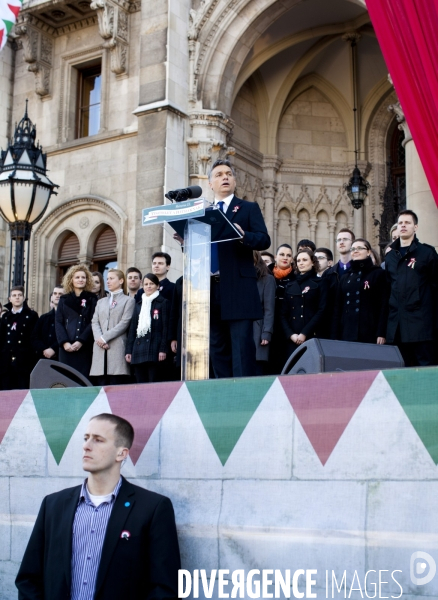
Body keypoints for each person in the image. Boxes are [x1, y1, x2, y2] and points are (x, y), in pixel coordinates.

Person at [16, 413, 180, 599]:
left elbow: (166, 587)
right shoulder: (53, 505)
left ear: (121, 453)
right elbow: (28, 578)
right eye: (86, 438)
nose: (86, 446)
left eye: (98, 440)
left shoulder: (153, 508)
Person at [206, 159, 270, 378]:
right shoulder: (204, 214)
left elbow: (263, 239)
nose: (225, 177)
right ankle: (223, 397)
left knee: (241, 348)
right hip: (210, 289)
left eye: (228, 174)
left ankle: (244, 397)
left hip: (238, 287)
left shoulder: (247, 208)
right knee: (217, 349)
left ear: (234, 180)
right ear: (210, 183)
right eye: (219, 174)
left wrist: (244, 236)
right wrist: (185, 240)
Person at [385, 209, 438, 366]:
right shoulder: (390, 257)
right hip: (397, 328)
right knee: (402, 373)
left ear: (415, 227)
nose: (403, 226)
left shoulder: (427, 253)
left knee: (426, 371)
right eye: (400, 223)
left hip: (422, 326)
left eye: (407, 223)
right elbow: (389, 289)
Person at [332, 238, 388, 345]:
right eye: (353, 249)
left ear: (368, 252)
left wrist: (381, 332)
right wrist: (335, 334)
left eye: (359, 248)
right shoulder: (345, 277)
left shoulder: (378, 274)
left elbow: (383, 305)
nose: (355, 251)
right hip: (347, 331)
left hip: (369, 330)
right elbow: (338, 308)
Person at [281, 249, 328, 361]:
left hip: (312, 336)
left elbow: (322, 310)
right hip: (293, 338)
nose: (301, 263)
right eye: (298, 260)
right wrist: (291, 334)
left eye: (305, 260)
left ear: (313, 262)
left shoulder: (321, 282)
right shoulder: (290, 285)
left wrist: (304, 333)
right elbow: (282, 314)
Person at [90, 269, 135, 386]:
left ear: (121, 280)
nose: (108, 281)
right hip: (99, 349)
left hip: (117, 347)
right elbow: (94, 322)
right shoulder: (101, 302)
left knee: (116, 388)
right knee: (99, 388)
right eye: (107, 279)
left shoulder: (128, 300)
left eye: (111, 278)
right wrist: (99, 339)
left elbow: (124, 323)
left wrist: (104, 338)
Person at [125, 273, 169, 383]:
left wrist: (163, 349)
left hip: (155, 349)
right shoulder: (138, 304)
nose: (148, 286)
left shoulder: (163, 302)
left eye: (151, 284)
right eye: (146, 284)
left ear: (158, 286)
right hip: (138, 350)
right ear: (142, 286)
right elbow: (132, 329)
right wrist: (129, 350)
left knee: (153, 384)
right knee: (140, 385)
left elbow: (165, 328)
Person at [55, 264, 98, 378]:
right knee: (66, 379)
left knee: (82, 380)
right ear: (71, 280)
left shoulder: (92, 298)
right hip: (66, 348)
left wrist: (81, 341)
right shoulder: (64, 299)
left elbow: (93, 321)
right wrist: (64, 342)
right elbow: (59, 322)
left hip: (84, 347)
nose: (80, 280)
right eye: (77, 277)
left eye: (83, 277)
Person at [0, 286, 38, 390]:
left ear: (24, 298)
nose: (17, 298)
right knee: (6, 393)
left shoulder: (31, 315)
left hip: (24, 361)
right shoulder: (5, 317)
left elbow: (34, 337)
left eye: (20, 295)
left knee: (23, 392)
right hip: (6, 361)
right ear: (10, 299)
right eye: (14, 295)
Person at [267, 244, 295, 374]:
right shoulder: (265, 274)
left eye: (289, 255)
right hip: (267, 326)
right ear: (275, 257)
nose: (285, 258)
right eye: (282, 254)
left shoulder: (296, 277)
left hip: (288, 328)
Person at [253, 251, 275, 375]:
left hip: (258, 331)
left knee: (257, 370)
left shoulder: (267, 279)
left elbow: (269, 309)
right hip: (242, 331)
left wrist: (266, 333)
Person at [31, 286, 64, 361]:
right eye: (55, 293)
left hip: (61, 358)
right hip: (43, 358)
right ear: (51, 297)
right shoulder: (44, 318)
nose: (57, 296)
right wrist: (45, 350)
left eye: (60, 294)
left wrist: (53, 349)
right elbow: (34, 337)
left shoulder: (69, 318)